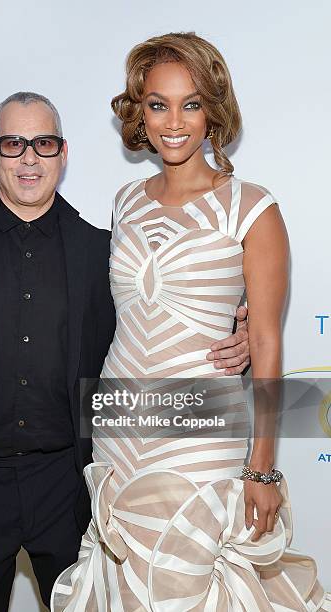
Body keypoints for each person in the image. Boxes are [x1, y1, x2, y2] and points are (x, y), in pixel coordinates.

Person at [0, 91, 250, 612]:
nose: (29, 157)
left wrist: (239, 331)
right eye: (14, 143)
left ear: (63, 153)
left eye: (43, 143)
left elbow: (160, 331)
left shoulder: (105, 251)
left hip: (73, 489)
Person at [51, 33, 330, 611]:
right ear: (140, 113)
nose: (173, 122)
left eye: (191, 103)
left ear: (214, 111)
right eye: (158, 104)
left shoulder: (251, 207)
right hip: (119, 423)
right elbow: (130, 315)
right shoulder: (126, 201)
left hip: (202, 429)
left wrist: (261, 470)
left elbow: (269, 346)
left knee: (191, 586)